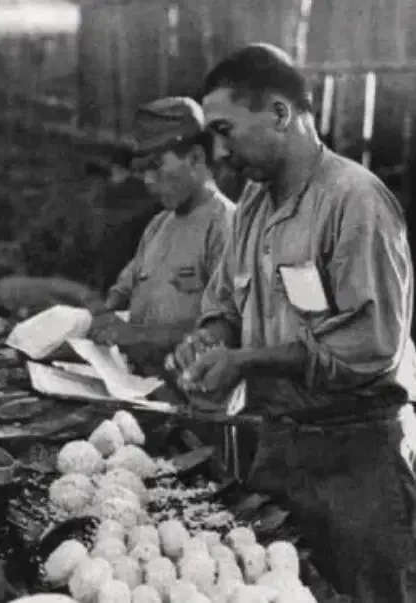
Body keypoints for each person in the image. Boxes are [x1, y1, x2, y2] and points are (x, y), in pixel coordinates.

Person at [171, 43, 416, 601]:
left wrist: (246, 360)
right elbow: (226, 305)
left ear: (280, 114)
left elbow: (371, 342)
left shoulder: (355, 201)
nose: (220, 152)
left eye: (226, 130)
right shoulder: (253, 205)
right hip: (279, 448)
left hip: (357, 464)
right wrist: (209, 340)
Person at [91, 97, 235, 374]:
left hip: (190, 387)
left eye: (156, 166)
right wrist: (96, 316)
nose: (147, 180)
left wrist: (139, 336)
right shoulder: (158, 226)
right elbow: (121, 294)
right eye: (143, 169)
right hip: (135, 381)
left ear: (195, 158)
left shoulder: (226, 226)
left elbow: (229, 331)